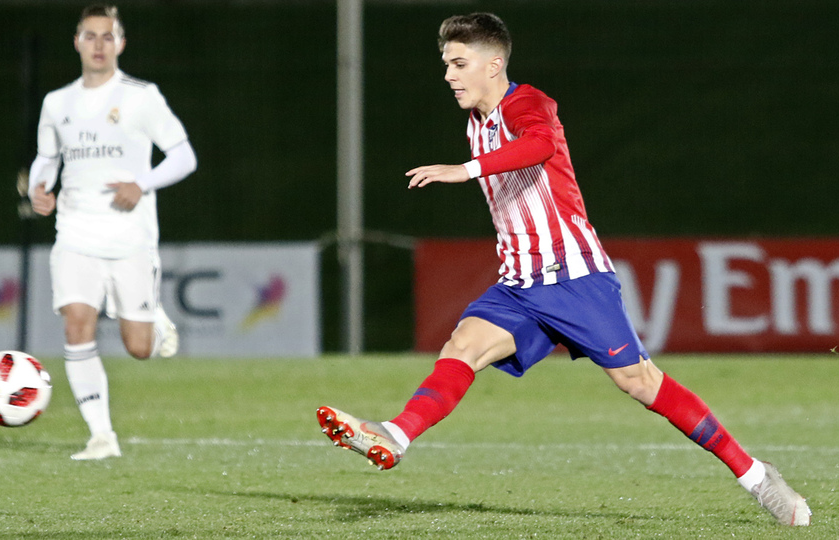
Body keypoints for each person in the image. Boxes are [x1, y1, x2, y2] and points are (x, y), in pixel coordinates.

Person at [317, 12, 811, 526]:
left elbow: (540, 145)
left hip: (574, 278)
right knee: (462, 346)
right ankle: (395, 435)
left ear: (495, 63)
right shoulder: (476, 123)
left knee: (640, 382)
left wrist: (463, 171)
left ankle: (756, 477)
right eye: (446, 64)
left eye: (459, 63)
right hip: (519, 284)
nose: (449, 75)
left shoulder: (528, 103)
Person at [28, 4, 196, 460]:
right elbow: (47, 159)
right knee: (77, 323)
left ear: (120, 43)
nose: (99, 45)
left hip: (130, 239)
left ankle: (155, 321)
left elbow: (183, 157)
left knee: (139, 348)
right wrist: (41, 188)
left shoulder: (142, 97)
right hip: (75, 233)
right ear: (77, 42)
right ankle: (102, 436)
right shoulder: (56, 103)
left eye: (108, 36)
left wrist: (141, 184)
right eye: (90, 36)